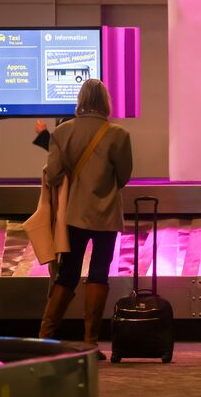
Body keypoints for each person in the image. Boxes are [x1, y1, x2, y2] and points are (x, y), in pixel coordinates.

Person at [38, 79, 132, 361]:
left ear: (80, 100)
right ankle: (90, 340)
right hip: (105, 216)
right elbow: (124, 177)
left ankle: (45, 335)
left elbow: (52, 175)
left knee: (68, 273)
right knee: (99, 273)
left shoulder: (62, 132)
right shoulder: (118, 135)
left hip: (74, 215)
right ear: (106, 101)